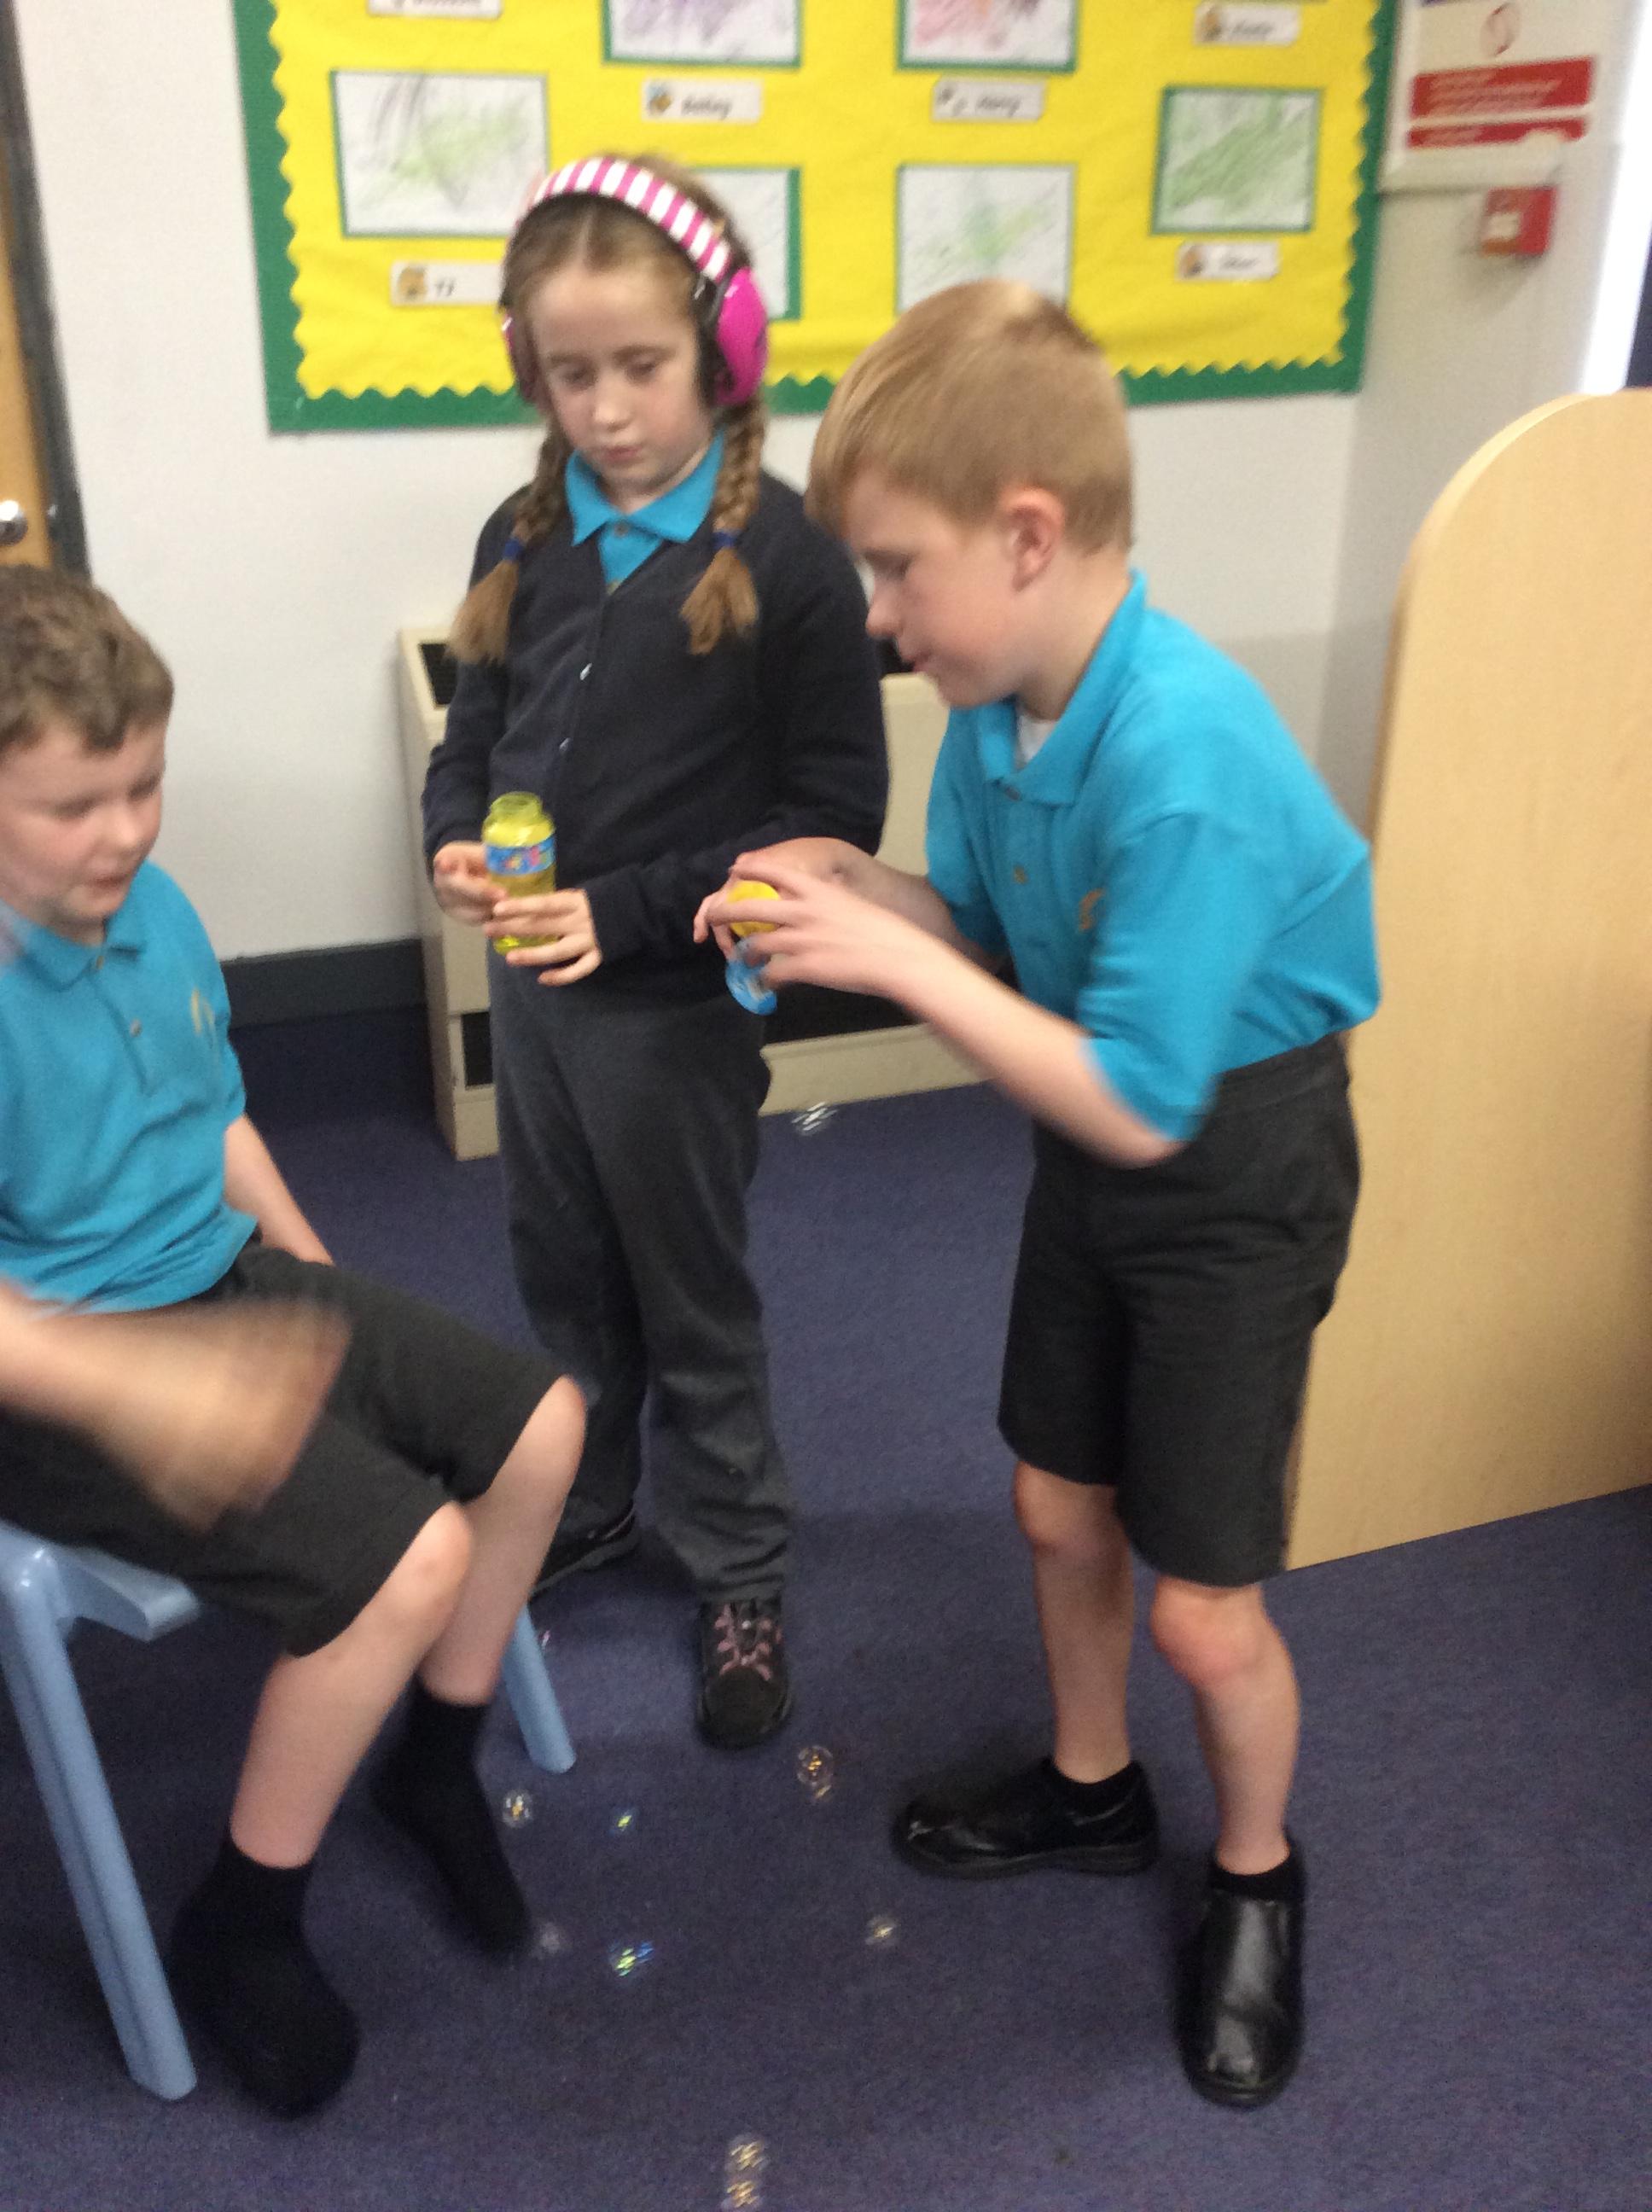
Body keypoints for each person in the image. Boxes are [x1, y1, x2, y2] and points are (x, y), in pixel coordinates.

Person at [698, 281, 1380, 2108]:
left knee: (1201, 1611)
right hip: (1096, 1140)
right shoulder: (999, 709)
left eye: (895, 570)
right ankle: (1093, 1793)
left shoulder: (1181, 758)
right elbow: (997, 945)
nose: (877, 617)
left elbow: (1145, 1097)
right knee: (1054, 1502)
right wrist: (862, 891)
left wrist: (896, 967)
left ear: (1025, 534)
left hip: (1227, 1164)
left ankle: (1258, 1876)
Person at [0, 568, 586, 2117]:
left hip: (212, 1279)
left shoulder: (153, 906)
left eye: (144, 786)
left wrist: (326, 1292)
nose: (124, 832)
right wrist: (140, 1386)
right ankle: (243, 1918)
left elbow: (215, 1118)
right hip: (52, 1371)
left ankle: (432, 1764)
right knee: (408, 1562)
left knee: (541, 1427)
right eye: (74, 805)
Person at [423, 155, 887, 1751]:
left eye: (642, 365)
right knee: (562, 1267)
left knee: (690, 1292)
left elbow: (829, 813)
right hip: (535, 994)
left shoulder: (794, 562)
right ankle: (595, 1498)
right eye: (571, 375)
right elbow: (477, 726)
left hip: (674, 1006)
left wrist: (620, 913)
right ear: (528, 370)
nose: (608, 411)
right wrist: (455, 831)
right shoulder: (523, 526)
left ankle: (741, 1565)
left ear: (724, 349)